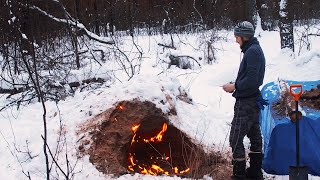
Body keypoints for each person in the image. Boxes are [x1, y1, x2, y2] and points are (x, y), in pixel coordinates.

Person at [222, 21, 266, 180]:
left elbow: (252, 79)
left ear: (245, 36)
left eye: (237, 37)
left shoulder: (252, 52)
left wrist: (234, 86)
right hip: (252, 99)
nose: (236, 40)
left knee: (235, 138)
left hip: (246, 102)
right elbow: (251, 78)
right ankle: (255, 173)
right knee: (254, 136)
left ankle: (239, 175)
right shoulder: (253, 49)